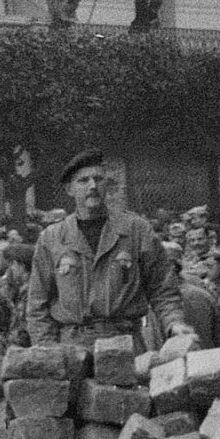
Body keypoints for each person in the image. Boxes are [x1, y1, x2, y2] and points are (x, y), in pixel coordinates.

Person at [26, 148, 192, 349]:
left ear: (107, 185)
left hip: (124, 341)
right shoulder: (52, 238)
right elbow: (38, 304)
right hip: (73, 345)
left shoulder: (136, 230)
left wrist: (175, 324)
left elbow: (163, 289)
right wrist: (46, 348)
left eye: (98, 179)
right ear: (70, 189)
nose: (93, 186)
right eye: (83, 180)